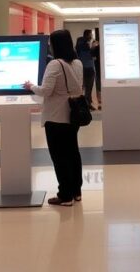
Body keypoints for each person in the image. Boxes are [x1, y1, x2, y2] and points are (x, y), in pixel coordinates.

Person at [24, 29, 85, 206]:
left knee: (59, 156)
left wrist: (31, 86)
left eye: (50, 42)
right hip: (73, 115)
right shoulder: (78, 63)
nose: (49, 45)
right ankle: (76, 192)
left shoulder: (55, 65)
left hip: (56, 116)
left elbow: (46, 91)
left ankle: (65, 195)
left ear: (55, 45)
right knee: (73, 153)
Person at [76, 30, 97, 110]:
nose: (91, 36)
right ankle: (87, 104)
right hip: (88, 68)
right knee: (88, 87)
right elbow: (88, 56)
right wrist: (93, 47)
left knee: (84, 87)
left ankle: (87, 103)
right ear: (87, 35)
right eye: (91, 34)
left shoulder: (79, 44)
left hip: (82, 68)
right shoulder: (84, 45)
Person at [90, 39, 102, 110]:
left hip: (98, 69)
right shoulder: (95, 49)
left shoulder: (95, 49)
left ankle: (100, 101)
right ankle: (99, 101)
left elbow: (93, 58)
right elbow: (93, 58)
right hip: (98, 69)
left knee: (99, 86)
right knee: (99, 86)